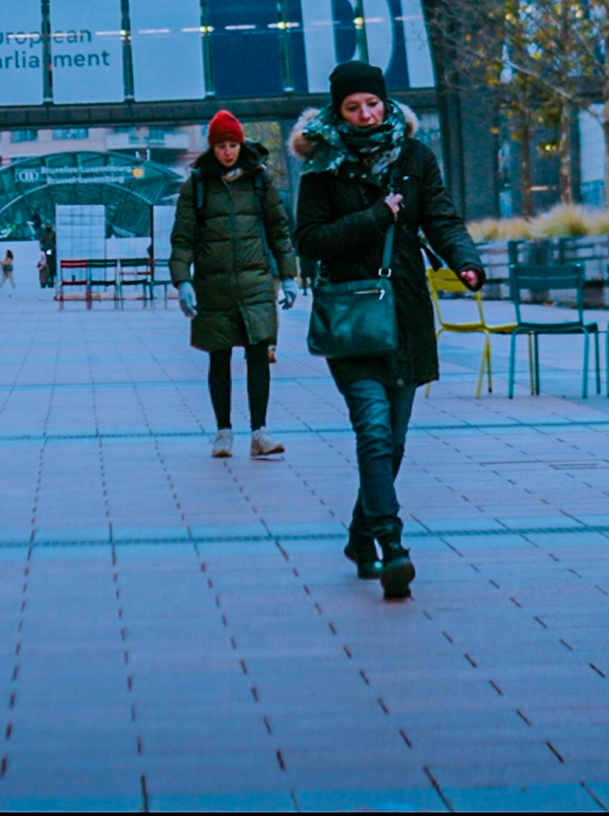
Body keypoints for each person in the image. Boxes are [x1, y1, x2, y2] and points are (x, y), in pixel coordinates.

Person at [293, 61, 484, 600]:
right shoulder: (321, 165)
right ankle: (391, 544)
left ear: (386, 103)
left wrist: (465, 261)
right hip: (353, 320)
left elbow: (440, 218)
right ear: (338, 112)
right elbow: (309, 240)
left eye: (372, 104)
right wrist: (377, 217)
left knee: (393, 443)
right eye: (352, 107)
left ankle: (360, 535)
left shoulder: (415, 157)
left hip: (406, 317)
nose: (365, 114)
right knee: (374, 433)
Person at [172, 109, 299, 461]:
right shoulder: (197, 185)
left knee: (258, 354)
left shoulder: (259, 180)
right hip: (213, 285)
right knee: (220, 357)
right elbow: (182, 238)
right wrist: (182, 281)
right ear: (211, 148)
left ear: (241, 144)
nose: (227, 152)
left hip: (255, 282)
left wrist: (288, 275)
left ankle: (260, 432)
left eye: (232, 145)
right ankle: (223, 431)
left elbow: (278, 231)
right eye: (221, 146)